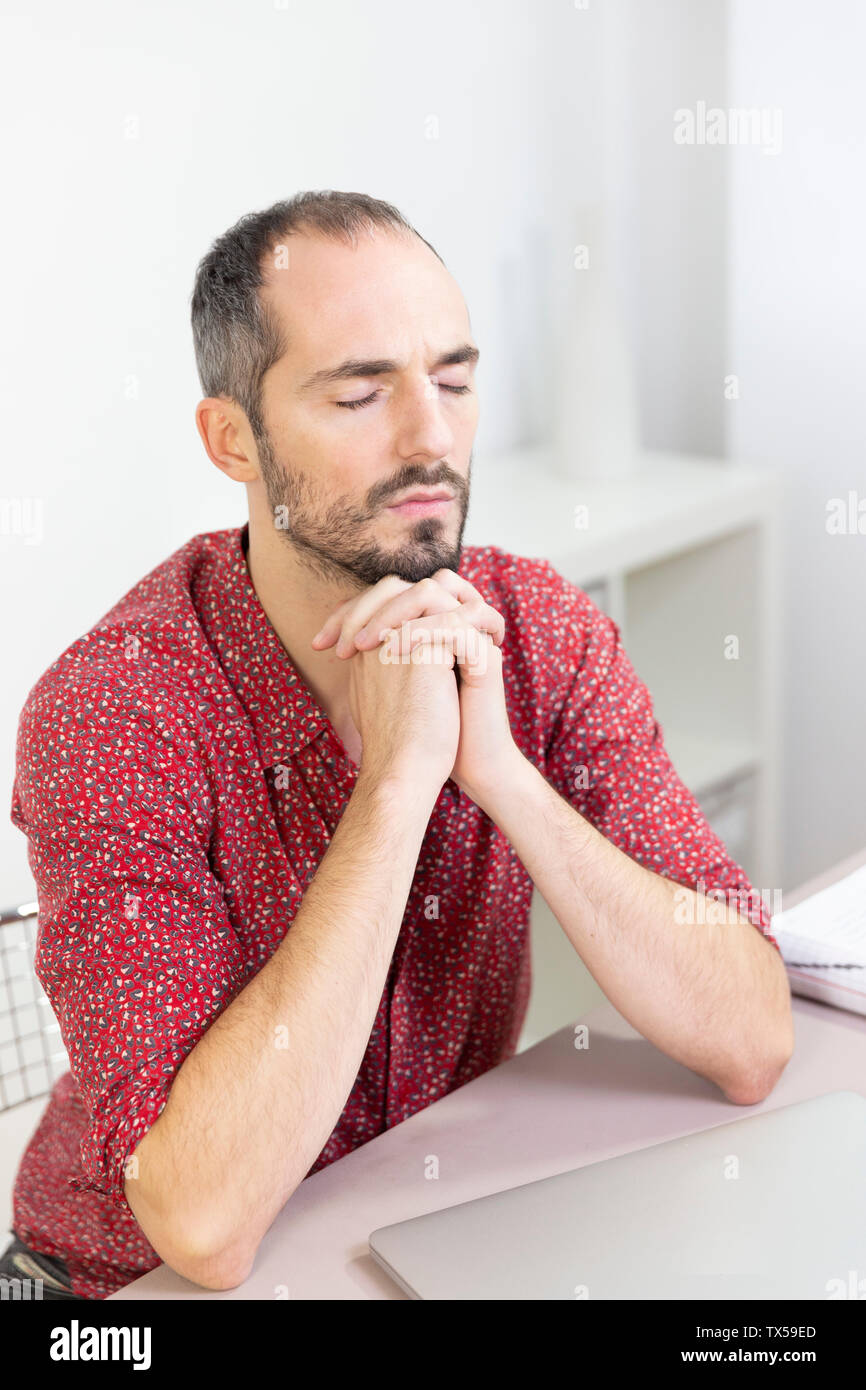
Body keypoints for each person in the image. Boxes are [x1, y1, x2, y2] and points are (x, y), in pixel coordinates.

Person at [3, 190, 794, 1300]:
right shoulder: (115, 712)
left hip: (405, 1232)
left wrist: (501, 774)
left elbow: (750, 1036)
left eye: (454, 380)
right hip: (115, 1295)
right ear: (233, 437)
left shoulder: (538, 632)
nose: (430, 437)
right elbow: (205, 1226)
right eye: (361, 392)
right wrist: (395, 783)